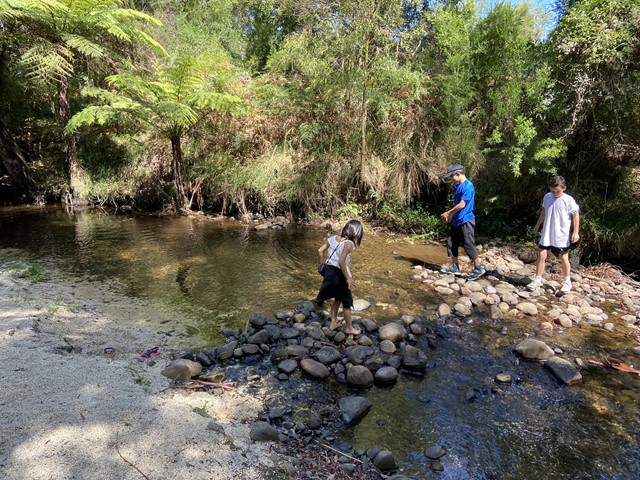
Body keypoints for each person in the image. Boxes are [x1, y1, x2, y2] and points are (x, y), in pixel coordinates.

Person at [528, 175, 580, 293]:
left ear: (564, 188)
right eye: (552, 191)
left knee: (563, 257)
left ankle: (567, 281)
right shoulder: (547, 197)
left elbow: (576, 215)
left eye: (557, 191)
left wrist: (575, 232)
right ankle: (537, 280)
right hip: (547, 231)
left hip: (561, 233)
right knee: (541, 254)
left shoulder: (568, 200)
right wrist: (537, 225)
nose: (555, 194)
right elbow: (544, 211)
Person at [316, 219, 364, 335]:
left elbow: (320, 251)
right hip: (340, 274)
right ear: (356, 232)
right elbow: (342, 262)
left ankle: (333, 323)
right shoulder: (349, 244)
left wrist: (321, 264)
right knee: (347, 301)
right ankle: (349, 328)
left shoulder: (333, 238)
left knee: (338, 299)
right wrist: (348, 277)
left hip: (329, 272)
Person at [440, 163, 485, 280]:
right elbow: (456, 203)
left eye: (452, 176)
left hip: (466, 220)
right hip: (457, 220)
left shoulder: (468, 186)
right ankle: (455, 267)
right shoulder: (458, 185)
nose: (451, 179)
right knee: (451, 242)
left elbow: (462, 204)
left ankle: (478, 268)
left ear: (458, 174)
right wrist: (451, 216)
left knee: (468, 243)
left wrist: (449, 213)